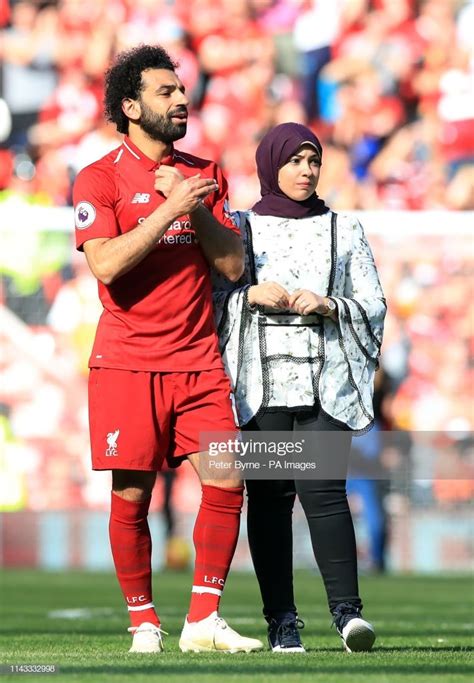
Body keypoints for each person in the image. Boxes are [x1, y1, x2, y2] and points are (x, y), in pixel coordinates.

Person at [72, 44, 263, 655]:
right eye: (164, 92)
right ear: (129, 106)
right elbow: (105, 264)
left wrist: (194, 202)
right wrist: (167, 211)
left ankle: (203, 617)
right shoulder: (98, 178)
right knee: (132, 496)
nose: (181, 100)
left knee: (229, 479)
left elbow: (232, 264)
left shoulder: (204, 171)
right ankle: (144, 624)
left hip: (199, 359)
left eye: (180, 91)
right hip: (127, 361)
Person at [213, 122, 386, 653]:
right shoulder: (238, 227)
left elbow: (374, 303)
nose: (307, 171)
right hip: (261, 383)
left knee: (325, 493)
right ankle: (282, 623)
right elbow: (213, 299)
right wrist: (248, 298)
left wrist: (330, 305)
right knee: (270, 498)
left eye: (313, 160)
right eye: (295, 161)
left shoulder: (344, 228)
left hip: (325, 379)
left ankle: (348, 615)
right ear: (271, 165)